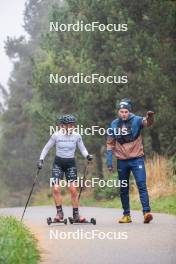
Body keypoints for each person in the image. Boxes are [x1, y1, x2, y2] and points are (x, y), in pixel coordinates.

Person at [106, 98, 155, 223]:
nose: (123, 114)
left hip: (137, 159)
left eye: (126, 111)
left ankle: (146, 212)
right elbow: (110, 143)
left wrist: (149, 117)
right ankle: (126, 215)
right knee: (123, 189)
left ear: (129, 111)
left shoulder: (137, 120)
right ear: (118, 111)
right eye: (121, 111)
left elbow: (148, 123)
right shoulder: (114, 124)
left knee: (141, 185)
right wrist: (109, 160)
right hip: (122, 161)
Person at [37, 114, 93, 222]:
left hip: (70, 164)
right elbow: (46, 148)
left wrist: (87, 156)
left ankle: (76, 215)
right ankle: (59, 214)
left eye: (73, 125)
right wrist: (41, 160)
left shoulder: (77, 136)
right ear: (63, 126)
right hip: (57, 164)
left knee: (73, 190)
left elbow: (83, 149)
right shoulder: (56, 135)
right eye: (69, 125)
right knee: (56, 188)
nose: (72, 127)